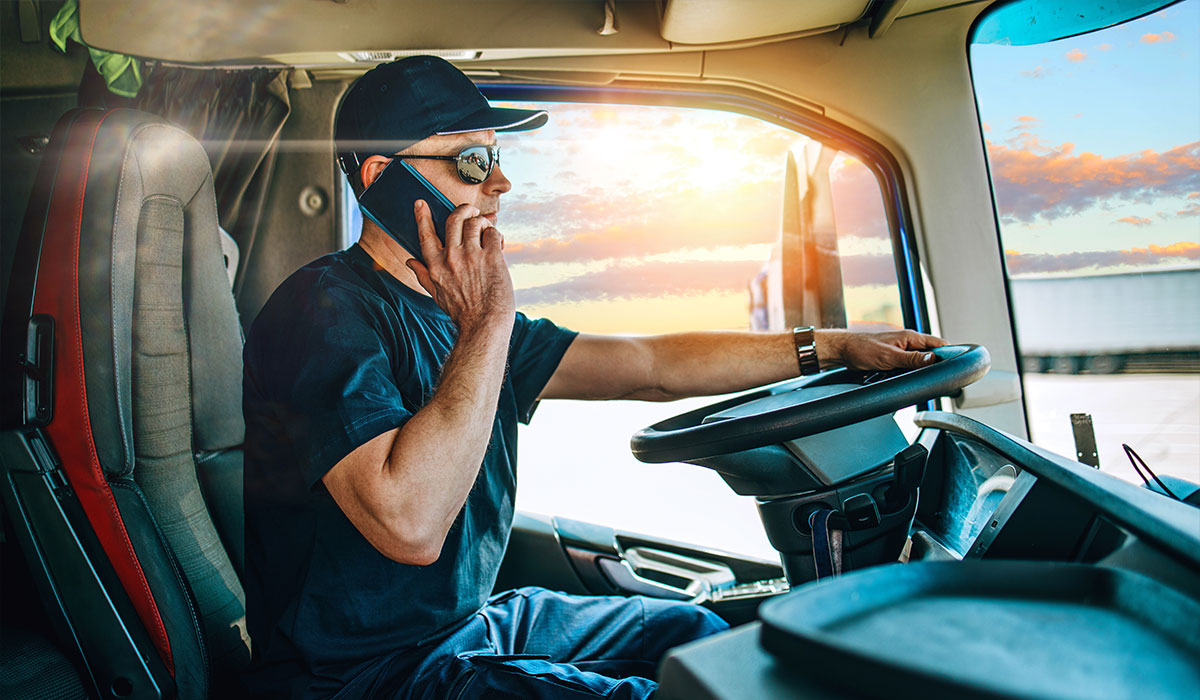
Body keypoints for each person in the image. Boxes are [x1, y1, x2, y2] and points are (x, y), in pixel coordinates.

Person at [241, 55, 947, 700]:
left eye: (499, 159)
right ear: (382, 178)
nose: (501, 182)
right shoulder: (321, 313)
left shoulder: (461, 318)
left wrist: (834, 346)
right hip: (359, 678)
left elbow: (651, 367)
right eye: (473, 160)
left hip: (463, 628)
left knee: (707, 647)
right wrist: (488, 320)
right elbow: (411, 525)